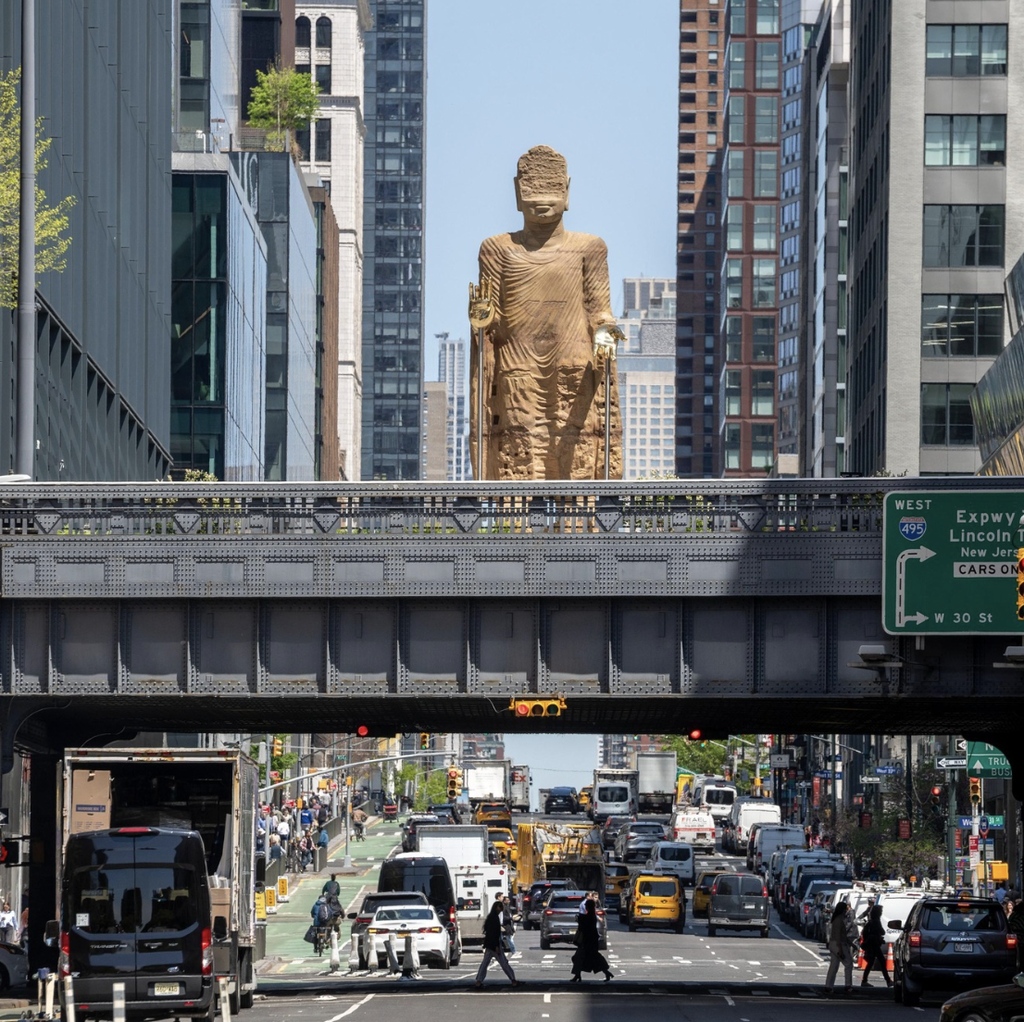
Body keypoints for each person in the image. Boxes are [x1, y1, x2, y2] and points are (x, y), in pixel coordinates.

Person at [469, 144, 623, 481]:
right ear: (516, 192)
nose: (542, 201)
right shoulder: (497, 249)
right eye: (531, 191)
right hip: (517, 363)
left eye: (553, 191)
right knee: (518, 444)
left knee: (577, 441)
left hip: (574, 363)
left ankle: (577, 524)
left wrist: (605, 331)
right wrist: (480, 315)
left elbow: (600, 310)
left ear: (567, 192)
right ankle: (514, 526)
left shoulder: (589, 248)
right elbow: (489, 319)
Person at [475, 900, 518, 987]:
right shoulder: (494, 918)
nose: (501, 909)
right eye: (500, 907)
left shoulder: (491, 917)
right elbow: (494, 933)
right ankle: (513, 979)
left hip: (489, 944)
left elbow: (489, 932)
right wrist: (496, 946)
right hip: (494, 944)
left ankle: (479, 981)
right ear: (496, 908)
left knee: (485, 963)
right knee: (503, 963)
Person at [570, 898, 612, 983]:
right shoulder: (591, 915)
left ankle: (577, 976)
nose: (585, 907)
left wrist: (579, 920)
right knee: (591, 957)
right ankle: (606, 972)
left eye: (586, 906)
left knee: (580, 957)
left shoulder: (589, 916)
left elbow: (583, 927)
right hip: (591, 940)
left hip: (588, 940)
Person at [824, 901, 859, 996]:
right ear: (842, 910)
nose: (846, 912)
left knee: (834, 966)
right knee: (848, 964)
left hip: (833, 944)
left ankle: (829, 986)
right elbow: (839, 936)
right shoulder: (839, 920)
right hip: (839, 944)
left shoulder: (835, 919)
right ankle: (848, 985)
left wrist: (850, 944)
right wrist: (840, 949)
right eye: (845, 909)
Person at [859, 904, 891, 988]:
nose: (881, 912)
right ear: (878, 912)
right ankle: (888, 981)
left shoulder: (870, 921)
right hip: (874, 944)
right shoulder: (876, 921)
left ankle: (864, 980)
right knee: (882, 962)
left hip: (871, 944)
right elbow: (882, 931)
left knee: (871, 962)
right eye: (881, 911)